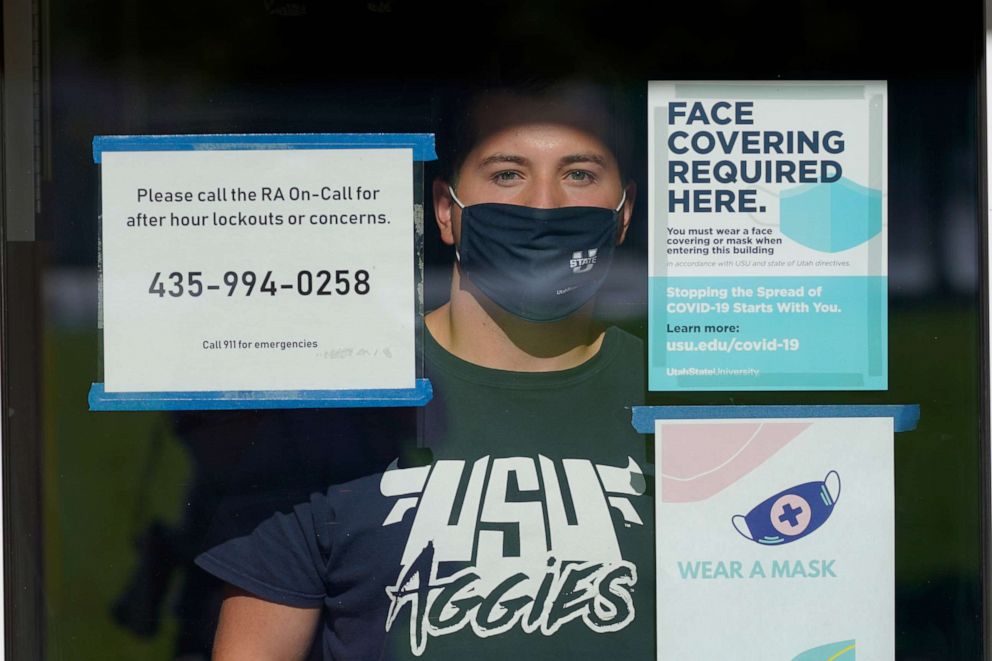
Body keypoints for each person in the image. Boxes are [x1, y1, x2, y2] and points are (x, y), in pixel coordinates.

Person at [195, 80, 653, 660]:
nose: (544, 204)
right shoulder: (337, 398)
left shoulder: (679, 400)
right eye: (508, 173)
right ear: (445, 210)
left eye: (579, 174)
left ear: (624, 213)